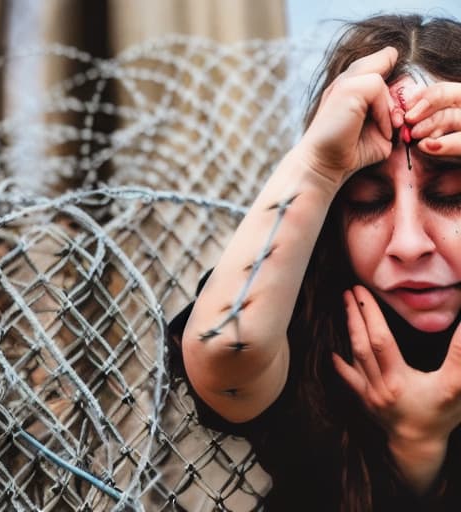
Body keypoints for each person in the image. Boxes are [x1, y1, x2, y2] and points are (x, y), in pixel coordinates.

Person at [167, 13, 461, 511]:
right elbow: (224, 352)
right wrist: (317, 165)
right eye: (367, 199)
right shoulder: (295, 315)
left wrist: (419, 438)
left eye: (453, 195)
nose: (409, 244)